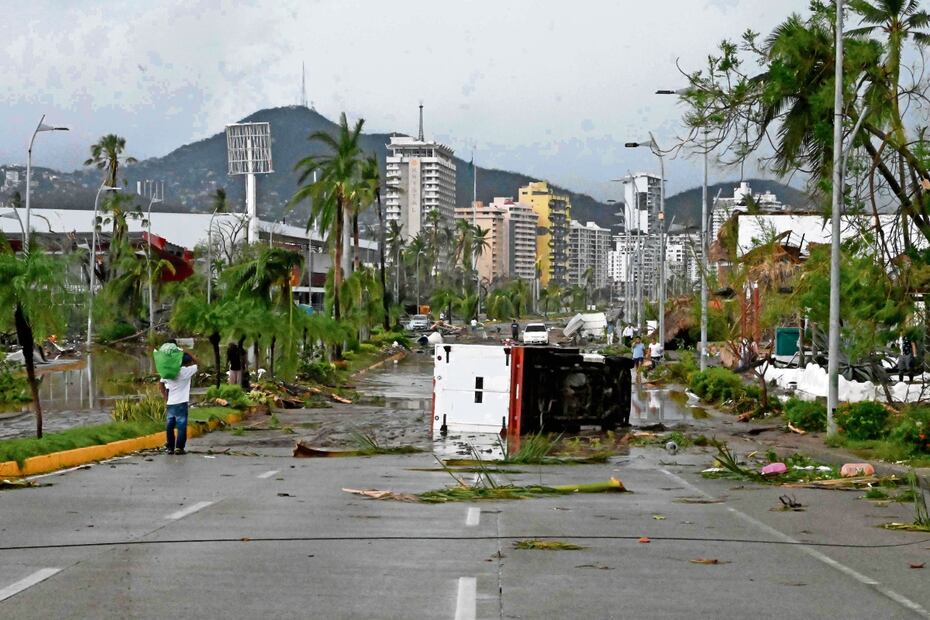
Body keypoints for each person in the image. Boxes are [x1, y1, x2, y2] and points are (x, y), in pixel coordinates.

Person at [159, 350, 198, 455]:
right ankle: (179, 448)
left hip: (171, 402)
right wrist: (189, 352)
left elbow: (161, 384)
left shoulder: (169, 371)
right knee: (181, 425)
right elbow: (198, 364)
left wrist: (165, 397)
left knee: (170, 426)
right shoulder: (186, 371)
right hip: (181, 402)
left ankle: (170, 447)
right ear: (187, 363)